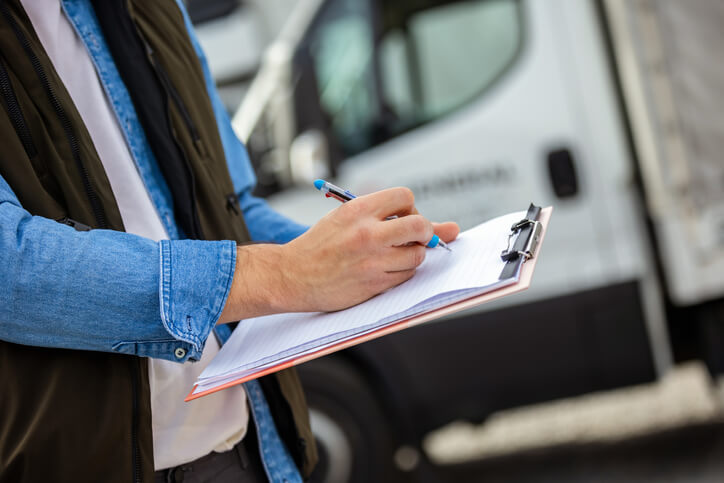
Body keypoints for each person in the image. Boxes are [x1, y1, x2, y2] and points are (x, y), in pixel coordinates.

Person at [0, 0, 459, 482]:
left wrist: (362, 257)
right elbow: (11, 265)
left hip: (247, 450)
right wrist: (290, 273)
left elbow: (229, 208)